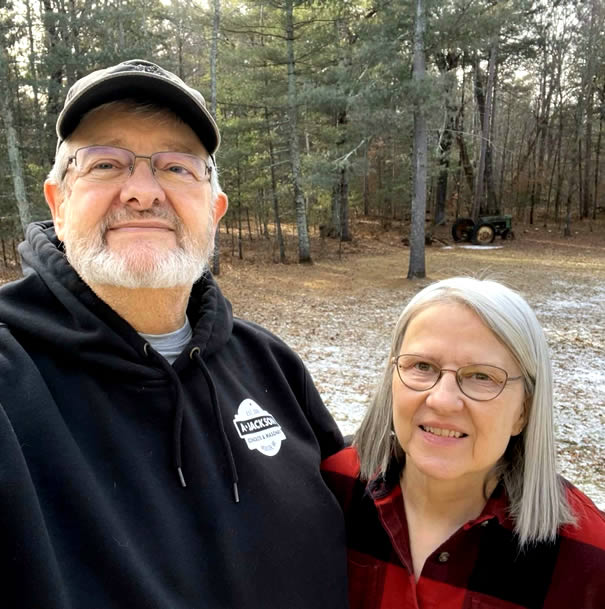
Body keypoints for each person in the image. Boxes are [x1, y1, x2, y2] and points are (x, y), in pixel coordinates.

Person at [0, 59, 348, 609]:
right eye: (105, 163)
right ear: (57, 204)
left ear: (215, 210)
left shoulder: (273, 367)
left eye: (178, 167)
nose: (142, 192)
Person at [322, 277, 605, 609]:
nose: (443, 400)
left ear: (524, 411)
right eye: (422, 366)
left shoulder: (588, 561)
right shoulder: (328, 492)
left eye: (481, 376)